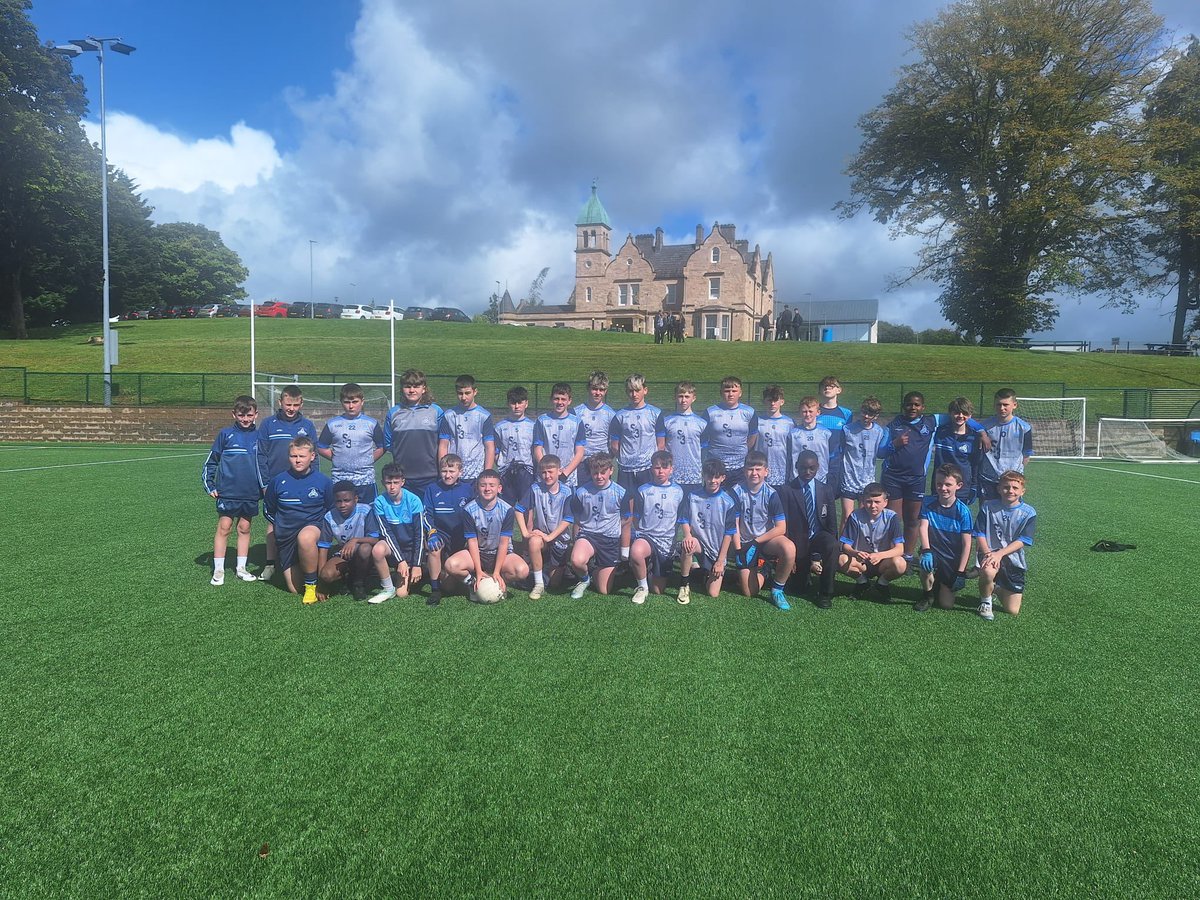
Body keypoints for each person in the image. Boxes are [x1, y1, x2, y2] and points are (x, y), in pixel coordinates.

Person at [879, 390, 983, 557]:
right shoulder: (893, 424)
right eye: (909, 404)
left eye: (917, 404)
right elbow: (881, 452)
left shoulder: (931, 421)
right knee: (893, 519)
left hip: (917, 479)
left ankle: (908, 556)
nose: (913, 407)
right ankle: (891, 556)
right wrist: (895, 444)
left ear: (923, 407)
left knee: (913, 520)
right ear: (903, 406)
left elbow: (962, 416)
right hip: (893, 478)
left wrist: (982, 431)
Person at [256, 385, 317, 583]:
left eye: (295, 405)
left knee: (302, 519)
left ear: (301, 404)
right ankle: (270, 564)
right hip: (275, 483)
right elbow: (260, 455)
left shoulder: (307, 425)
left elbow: (314, 456)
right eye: (288, 404)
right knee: (273, 522)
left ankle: (300, 558)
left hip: (302, 482)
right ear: (280, 402)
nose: (291, 408)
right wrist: (265, 484)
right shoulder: (268, 424)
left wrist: (313, 480)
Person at [264, 436, 335, 604]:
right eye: (293, 456)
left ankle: (311, 586)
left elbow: (331, 510)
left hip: (312, 529)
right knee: (295, 588)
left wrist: (323, 533)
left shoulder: (323, 481)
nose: (297, 460)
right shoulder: (278, 481)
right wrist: (280, 526)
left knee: (305, 537)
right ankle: (311, 572)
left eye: (302, 456)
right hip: (286, 536)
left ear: (312, 456)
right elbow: (268, 509)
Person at [444, 469, 529, 600]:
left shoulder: (507, 510)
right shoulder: (469, 510)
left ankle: (498, 581)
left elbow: (504, 543)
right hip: (478, 552)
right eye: (483, 485)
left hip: (500, 553)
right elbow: (472, 541)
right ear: (477, 487)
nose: (487, 489)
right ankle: (473, 583)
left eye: (492, 485)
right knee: (451, 565)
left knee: (522, 570)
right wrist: (478, 571)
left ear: (499, 488)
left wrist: (497, 571)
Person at [203, 395, 261, 586]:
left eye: (249, 415)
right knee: (224, 527)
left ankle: (241, 568)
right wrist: (210, 484)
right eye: (241, 415)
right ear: (234, 414)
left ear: (256, 415)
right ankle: (218, 570)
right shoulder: (225, 434)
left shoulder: (260, 437)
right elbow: (212, 461)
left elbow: (265, 465)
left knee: (244, 528)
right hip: (228, 491)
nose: (245, 419)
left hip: (250, 492)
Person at [731, 451, 795, 610]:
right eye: (750, 469)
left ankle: (777, 590)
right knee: (749, 592)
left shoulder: (771, 494)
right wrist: (739, 550)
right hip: (744, 541)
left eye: (758, 469)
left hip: (765, 540)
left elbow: (781, 527)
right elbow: (734, 524)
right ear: (744, 471)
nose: (754, 473)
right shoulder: (736, 491)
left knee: (789, 548)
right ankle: (765, 570)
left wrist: (756, 542)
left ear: (766, 471)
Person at [777, 449, 839, 609]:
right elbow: (784, 525)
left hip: (819, 536)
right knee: (798, 589)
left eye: (812, 468)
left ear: (817, 467)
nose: (807, 472)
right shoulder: (786, 490)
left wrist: (833, 547)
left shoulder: (826, 489)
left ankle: (825, 593)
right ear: (797, 466)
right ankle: (804, 573)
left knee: (832, 545)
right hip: (798, 541)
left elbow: (831, 522)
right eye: (803, 468)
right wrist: (788, 556)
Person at [973, 470, 1036, 621]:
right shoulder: (988, 507)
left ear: (1022, 491)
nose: (1010, 491)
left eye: (1015, 488)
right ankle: (986, 602)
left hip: (1012, 556)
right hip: (989, 552)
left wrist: (1000, 554)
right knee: (988, 571)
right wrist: (988, 553)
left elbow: (1023, 540)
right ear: (999, 489)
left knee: (1012, 610)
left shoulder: (1029, 512)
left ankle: (995, 587)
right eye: (1006, 487)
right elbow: (979, 533)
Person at [568, 453, 630, 599]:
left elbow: (626, 520)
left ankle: (594, 570)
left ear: (611, 470)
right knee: (576, 560)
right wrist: (577, 540)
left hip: (610, 539)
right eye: (595, 473)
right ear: (590, 472)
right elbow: (577, 519)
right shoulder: (581, 492)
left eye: (603, 472)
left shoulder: (621, 493)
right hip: (588, 535)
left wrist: (610, 528)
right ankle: (584, 579)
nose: (599, 476)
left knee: (604, 590)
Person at [628, 450, 685, 604]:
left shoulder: (678, 492)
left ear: (671, 469)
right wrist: (641, 533)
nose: (661, 471)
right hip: (647, 536)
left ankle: (651, 566)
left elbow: (681, 519)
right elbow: (636, 517)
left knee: (658, 590)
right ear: (651, 469)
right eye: (657, 467)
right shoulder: (643, 490)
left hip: (666, 541)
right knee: (636, 551)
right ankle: (642, 587)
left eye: (665, 467)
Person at [677, 459, 738, 603]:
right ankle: (684, 585)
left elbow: (729, 534)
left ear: (723, 478)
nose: (713, 480)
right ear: (703, 476)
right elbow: (684, 519)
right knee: (688, 544)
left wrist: (720, 561)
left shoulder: (728, 502)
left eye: (717, 477)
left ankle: (703, 573)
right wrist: (687, 535)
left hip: (716, 551)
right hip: (699, 544)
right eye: (709, 476)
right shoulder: (693, 496)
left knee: (713, 593)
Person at [915, 464, 973, 613]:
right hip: (933, 551)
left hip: (951, 557)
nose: (943, 488)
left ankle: (938, 582)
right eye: (939, 484)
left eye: (948, 484)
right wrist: (926, 550)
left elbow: (967, 544)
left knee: (946, 605)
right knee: (925, 564)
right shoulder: (928, 502)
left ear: (959, 485)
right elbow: (923, 527)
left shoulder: (963, 511)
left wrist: (960, 572)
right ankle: (927, 594)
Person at [515, 454, 574, 599]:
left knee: (554, 583)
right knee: (534, 541)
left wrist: (550, 537)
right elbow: (518, 510)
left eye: (550, 472)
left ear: (559, 471)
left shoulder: (567, 491)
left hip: (559, 538)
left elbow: (568, 519)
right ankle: (539, 584)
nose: (547, 476)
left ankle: (560, 564)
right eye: (543, 472)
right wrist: (525, 533)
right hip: (541, 537)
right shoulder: (535, 488)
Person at [366, 463, 427, 604]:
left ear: (402, 482)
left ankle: (421, 569)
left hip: (411, 548)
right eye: (388, 483)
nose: (392, 487)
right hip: (394, 548)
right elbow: (387, 534)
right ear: (383, 483)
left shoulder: (414, 500)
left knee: (403, 593)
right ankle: (388, 588)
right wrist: (401, 561)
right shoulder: (379, 502)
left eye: (396, 482)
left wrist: (417, 564)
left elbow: (420, 534)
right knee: (378, 549)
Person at [838, 482, 907, 603]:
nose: (873, 506)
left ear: (885, 502)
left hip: (882, 562)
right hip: (862, 561)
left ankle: (882, 583)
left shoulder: (891, 517)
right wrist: (855, 553)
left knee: (900, 564)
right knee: (842, 559)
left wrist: (880, 555)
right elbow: (845, 546)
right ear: (863, 501)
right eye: (869, 501)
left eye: (877, 502)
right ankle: (862, 582)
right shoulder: (855, 516)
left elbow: (900, 549)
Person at [317, 383, 385, 504]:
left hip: (365, 480)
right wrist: (337, 458)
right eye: (347, 402)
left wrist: (369, 459)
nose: (351, 406)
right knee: (341, 512)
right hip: (340, 479)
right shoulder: (333, 424)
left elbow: (382, 446)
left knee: (367, 513)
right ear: (341, 402)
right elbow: (321, 447)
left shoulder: (371, 423)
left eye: (355, 402)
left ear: (362, 402)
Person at [421, 454, 475, 607]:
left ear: (460, 472)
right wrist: (432, 533)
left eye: (452, 471)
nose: (447, 475)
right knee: (434, 548)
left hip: (462, 535)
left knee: (451, 586)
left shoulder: (468, 489)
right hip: (441, 534)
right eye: (444, 471)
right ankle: (435, 589)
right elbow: (427, 514)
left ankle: (474, 579)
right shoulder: (432, 489)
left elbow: (474, 513)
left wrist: (471, 537)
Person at [383, 369, 444, 498]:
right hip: (403, 478)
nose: (411, 390)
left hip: (430, 476)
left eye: (416, 386)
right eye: (408, 386)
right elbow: (389, 444)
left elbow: (443, 443)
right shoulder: (393, 413)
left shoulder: (436, 411)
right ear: (402, 389)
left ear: (424, 389)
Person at [316, 480, 379, 601]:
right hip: (343, 553)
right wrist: (321, 581)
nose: (342, 505)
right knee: (326, 575)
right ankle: (346, 577)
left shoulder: (365, 511)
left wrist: (355, 540)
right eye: (338, 501)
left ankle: (358, 583)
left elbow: (375, 539)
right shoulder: (329, 517)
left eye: (347, 500)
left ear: (355, 499)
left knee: (365, 548)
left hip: (362, 553)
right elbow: (323, 547)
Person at [609, 373, 665, 500]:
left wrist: (653, 462)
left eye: (637, 390)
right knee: (626, 507)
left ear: (645, 390)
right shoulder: (620, 416)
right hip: (626, 469)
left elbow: (661, 444)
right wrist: (626, 459)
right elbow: (614, 446)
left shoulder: (655, 413)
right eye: (630, 391)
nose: (634, 394)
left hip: (648, 468)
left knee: (647, 504)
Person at [838, 396, 890, 521]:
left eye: (870, 414)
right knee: (847, 517)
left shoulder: (879, 431)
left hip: (867, 480)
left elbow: (880, 452)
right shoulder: (848, 429)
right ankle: (844, 535)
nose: (866, 416)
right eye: (864, 412)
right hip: (849, 479)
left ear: (876, 416)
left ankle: (862, 535)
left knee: (864, 517)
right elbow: (841, 450)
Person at [978, 388, 1034, 503]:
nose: (1002, 408)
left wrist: (1015, 473)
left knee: (1012, 511)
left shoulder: (1024, 427)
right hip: (989, 478)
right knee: (987, 511)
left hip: (1012, 481)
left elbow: (1026, 455)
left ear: (1014, 405)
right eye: (998, 404)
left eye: (1005, 405)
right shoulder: (984, 426)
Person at [438, 374, 495, 484]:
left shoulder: (484, 416)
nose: (463, 397)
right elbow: (443, 445)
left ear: (475, 392)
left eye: (467, 393)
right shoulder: (449, 415)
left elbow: (489, 447)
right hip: (454, 474)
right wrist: (444, 471)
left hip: (476, 473)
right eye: (460, 393)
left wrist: (486, 474)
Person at [705, 376, 758, 489]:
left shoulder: (749, 412)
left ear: (740, 393)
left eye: (734, 391)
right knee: (715, 497)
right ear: (721, 393)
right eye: (727, 391)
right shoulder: (710, 412)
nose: (730, 394)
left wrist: (742, 451)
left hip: (740, 467)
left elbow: (753, 435)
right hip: (716, 466)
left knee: (738, 497)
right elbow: (703, 439)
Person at [932, 397, 984, 506]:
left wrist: (974, 486)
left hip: (962, 488)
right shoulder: (939, 432)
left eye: (964, 413)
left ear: (970, 415)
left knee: (959, 515)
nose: (960, 416)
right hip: (940, 485)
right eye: (956, 412)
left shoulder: (974, 438)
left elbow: (975, 465)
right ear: (950, 413)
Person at [533, 382, 585, 485]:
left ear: (569, 401)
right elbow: (537, 449)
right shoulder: (542, 420)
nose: (559, 402)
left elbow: (580, 452)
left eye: (563, 399)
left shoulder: (577, 422)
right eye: (556, 399)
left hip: (568, 477)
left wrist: (565, 473)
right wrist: (547, 470)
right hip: (546, 477)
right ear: (551, 399)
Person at [663, 381, 707, 495]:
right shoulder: (666, 422)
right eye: (680, 396)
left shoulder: (701, 423)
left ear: (694, 398)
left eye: (687, 396)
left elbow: (704, 450)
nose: (683, 400)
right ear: (675, 397)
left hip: (693, 475)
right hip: (672, 475)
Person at [494, 386, 536, 505]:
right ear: (508, 404)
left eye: (520, 402)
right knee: (506, 507)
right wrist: (501, 463)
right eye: (513, 403)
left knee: (526, 508)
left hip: (526, 472)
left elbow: (535, 451)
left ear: (526, 403)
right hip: (506, 472)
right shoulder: (499, 427)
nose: (517, 406)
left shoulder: (533, 426)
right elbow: (495, 451)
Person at [573, 372, 615, 489]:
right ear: (588, 388)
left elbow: (614, 443)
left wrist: (607, 459)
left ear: (606, 391)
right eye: (594, 389)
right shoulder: (576, 412)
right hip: (582, 462)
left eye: (601, 390)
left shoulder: (611, 414)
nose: (597, 393)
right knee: (582, 494)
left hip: (602, 463)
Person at [788, 396, 838, 485]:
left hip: (820, 479)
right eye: (804, 411)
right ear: (800, 412)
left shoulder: (826, 433)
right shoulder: (793, 434)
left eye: (810, 411)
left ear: (818, 412)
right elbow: (788, 457)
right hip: (798, 479)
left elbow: (833, 456)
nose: (807, 414)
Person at [758, 385, 795, 488]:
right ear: (764, 401)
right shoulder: (758, 421)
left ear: (782, 402)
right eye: (769, 400)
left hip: (782, 469)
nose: (772, 403)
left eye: (775, 400)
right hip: (762, 469)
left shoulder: (789, 423)